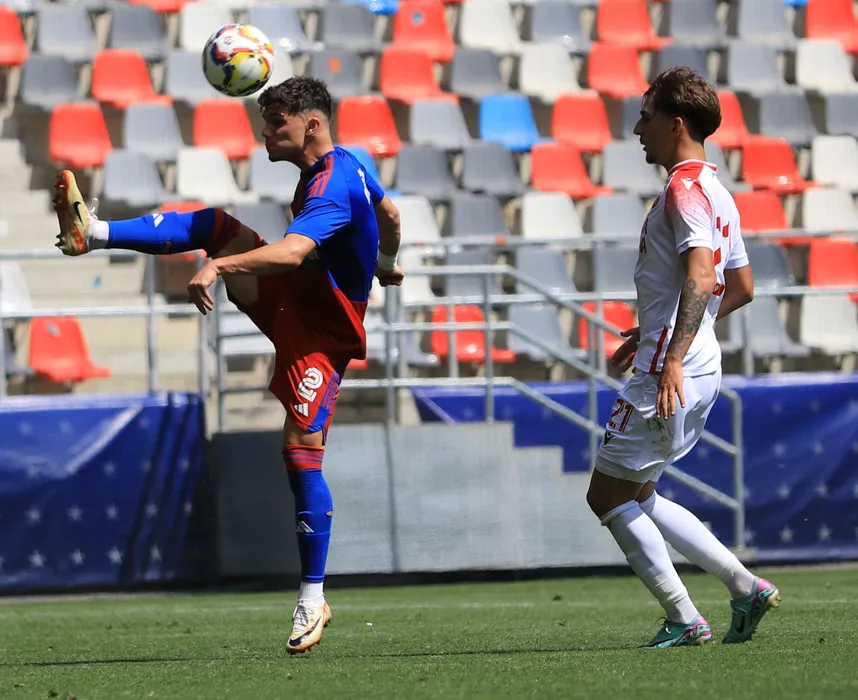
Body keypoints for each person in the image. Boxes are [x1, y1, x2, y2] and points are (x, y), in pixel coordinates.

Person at [51, 77, 404, 654]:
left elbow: (293, 250)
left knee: (300, 449)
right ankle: (94, 233)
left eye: (276, 123)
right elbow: (390, 214)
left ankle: (312, 597)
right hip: (297, 295)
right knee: (216, 226)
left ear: (311, 125)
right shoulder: (352, 164)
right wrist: (385, 264)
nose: (265, 133)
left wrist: (219, 267)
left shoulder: (333, 184)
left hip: (324, 331)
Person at [585, 67, 779, 648]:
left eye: (645, 117)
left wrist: (670, 354)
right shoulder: (718, 192)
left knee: (605, 495)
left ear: (675, 124)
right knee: (639, 492)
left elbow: (700, 273)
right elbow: (741, 287)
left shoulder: (683, 190)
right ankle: (744, 586)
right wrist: (666, 331)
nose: (637, 129)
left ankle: (684, 617)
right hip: (699, 362)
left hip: (669, 371)